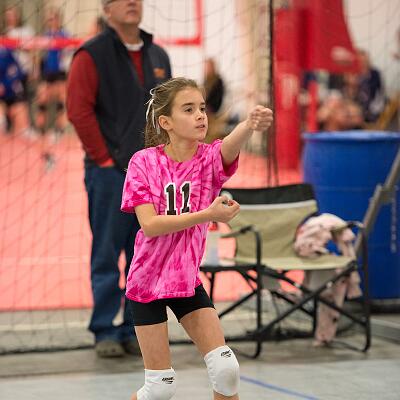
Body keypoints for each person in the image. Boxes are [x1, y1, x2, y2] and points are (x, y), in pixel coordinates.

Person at [121, 77, 273, 400]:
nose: (200, 115)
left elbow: (228, 146)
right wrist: (207, 214)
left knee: (226, 370)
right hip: (146, 282)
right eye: (188, 110)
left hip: (185, 282)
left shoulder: (207, 161)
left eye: (202, 108)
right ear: (166, 122)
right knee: (159, 388)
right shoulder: (143, 163)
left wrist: (249, 124)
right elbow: (150, 225)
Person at [66, 0, 171, 358]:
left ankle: (133, 328)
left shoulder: (158, 55)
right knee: (107, 253)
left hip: (152, 176)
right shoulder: (90, 55)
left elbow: (168, 114)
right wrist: (105, 160)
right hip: (109, 175)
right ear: (106, 10)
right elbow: (78, 110)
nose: (131, 3)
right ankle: (104, 330)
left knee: (144, 253)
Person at [203, 57, 226, 143]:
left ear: (213, 67)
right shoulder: (206, 80)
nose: (206, 69)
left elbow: (218, 99)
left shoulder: (218, 80)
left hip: (214, 109)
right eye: (206, 67)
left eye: (208, 66)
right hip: (206, 108)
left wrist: (210, 109)